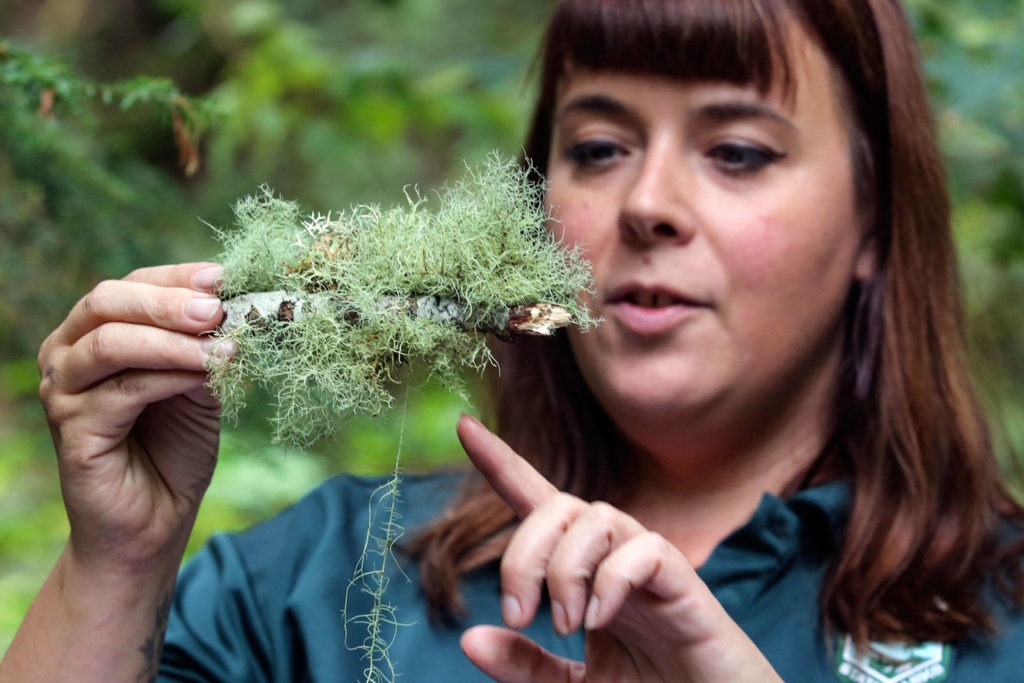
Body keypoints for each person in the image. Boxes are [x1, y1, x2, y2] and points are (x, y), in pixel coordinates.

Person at [3, 0, 1024, 680]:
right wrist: (120, 564)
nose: (648, 204)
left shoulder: (1001, 616)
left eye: (738, 150)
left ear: (876, 225)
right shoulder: (316, 582)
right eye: (598, 147)